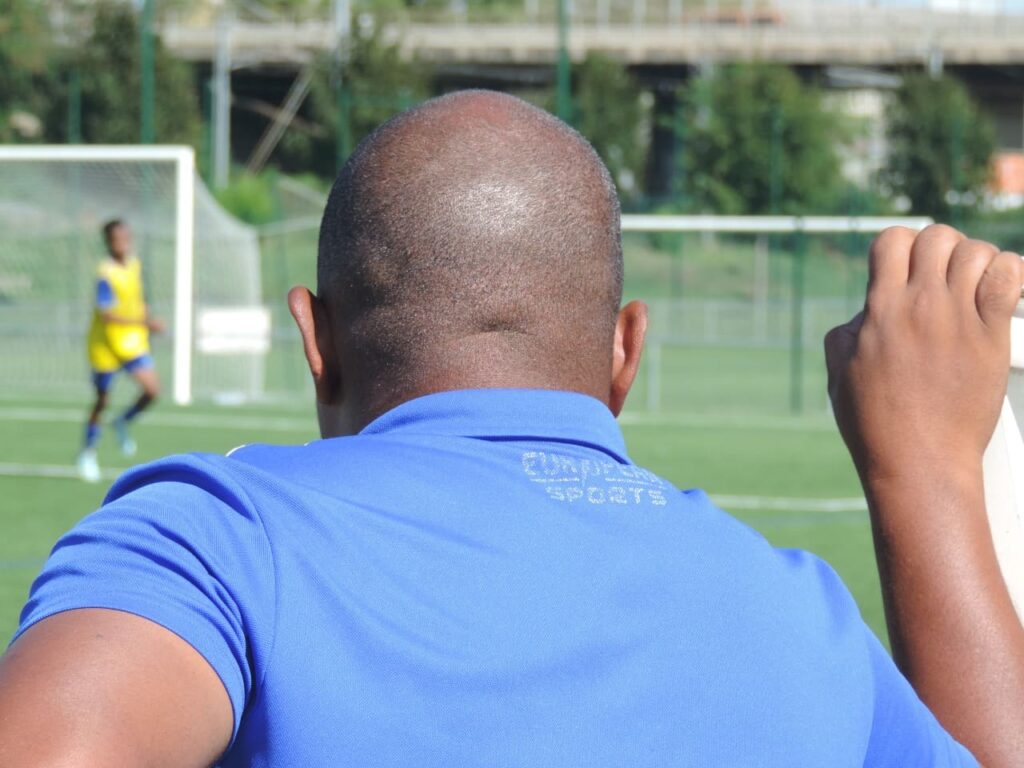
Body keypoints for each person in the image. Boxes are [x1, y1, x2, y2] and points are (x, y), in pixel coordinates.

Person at [1, 91, 1022, 767]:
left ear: (316, 341)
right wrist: (928, 473)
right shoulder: (805, 618)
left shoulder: (211, 545)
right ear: (627, 352)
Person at [77, 219, 164, 483]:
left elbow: (140, 298)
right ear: (109, 242)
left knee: (152, 390)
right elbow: (107, 316)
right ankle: (87, 453)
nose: (124, 242)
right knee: (102, 401)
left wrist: (147, 319)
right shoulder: (105, 273)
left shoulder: (135, 265)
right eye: (118, 239)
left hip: (132, 342)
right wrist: (145, 323)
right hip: (105, 345)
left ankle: (123, 422)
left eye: (127, 237)